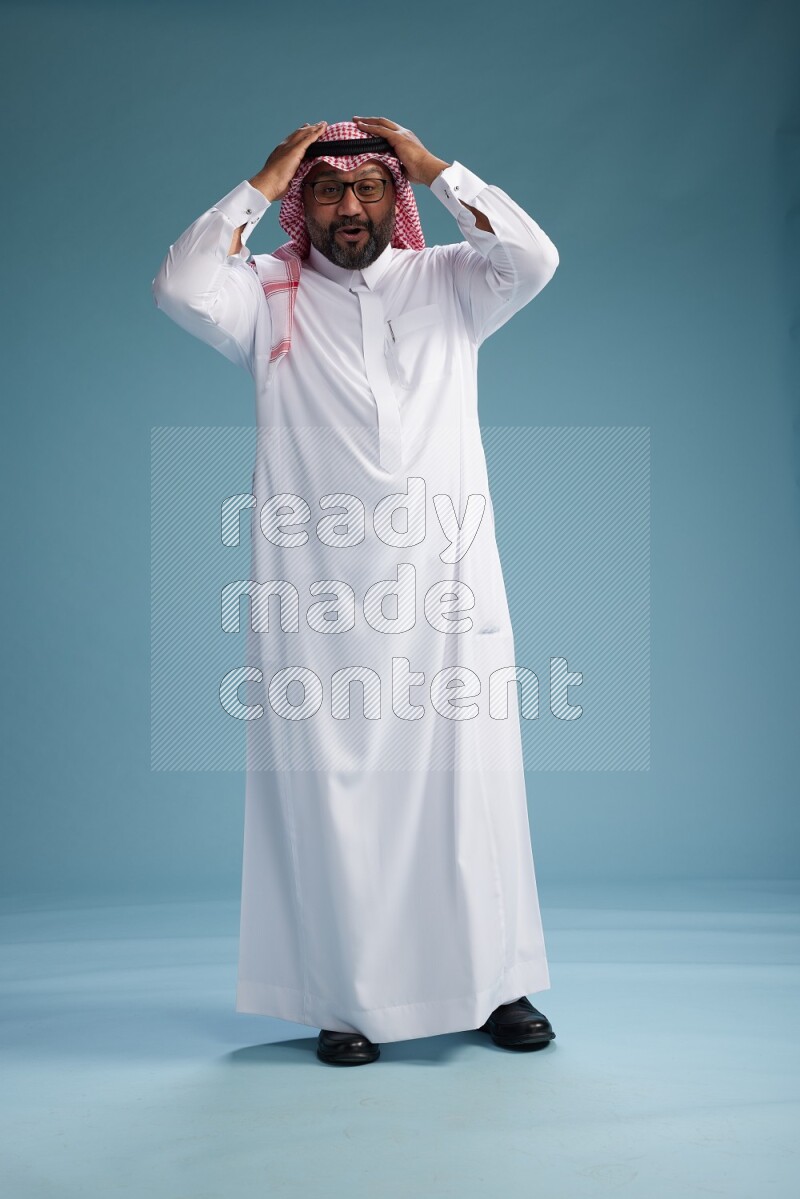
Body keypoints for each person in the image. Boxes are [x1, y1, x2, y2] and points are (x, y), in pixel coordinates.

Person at [152, 117, 560, 1067]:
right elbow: (177, 284)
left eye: (371, 190)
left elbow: (534, 257)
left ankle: (499, 985)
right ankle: (345, 997)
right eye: (328, 191)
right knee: (337, 798)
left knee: (473, 790)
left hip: (448, 589)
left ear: (398, 200)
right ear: (306, 203)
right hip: (320, 600)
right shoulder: (265, 292)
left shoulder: (452, 281)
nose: (349, 209)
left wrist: (436, 165)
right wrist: (262, 179)